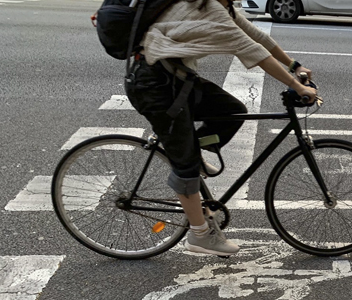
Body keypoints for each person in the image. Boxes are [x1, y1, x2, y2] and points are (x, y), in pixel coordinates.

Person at [124, 0, 317, 256]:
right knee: (186, 163)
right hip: (156, 87)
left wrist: (294, 65)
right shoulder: (211, 9)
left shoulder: (220, 6)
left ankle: (193, 154)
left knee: (232, 111)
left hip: (174, 79)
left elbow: (257, 36)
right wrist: (299, 87)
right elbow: (253, 50)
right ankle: (200, 235)